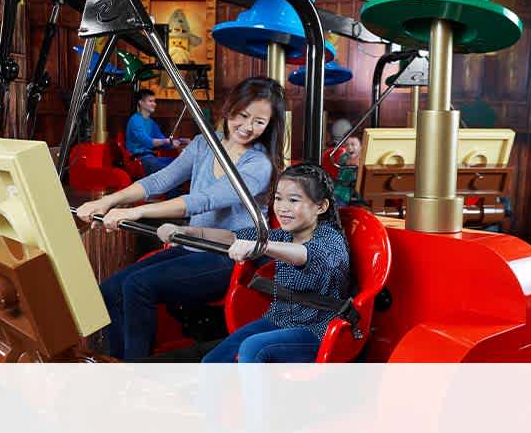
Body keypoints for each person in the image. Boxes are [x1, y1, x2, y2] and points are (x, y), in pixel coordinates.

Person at [75, 77, 286, 360]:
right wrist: (108, 200)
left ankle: (135, 374)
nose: (248, 127)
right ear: (230, 107)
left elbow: (203, 200)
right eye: (243, 115)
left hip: (230, 257)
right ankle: (118, 364)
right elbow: (161, 180)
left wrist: (136, 210)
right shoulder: (203, 145)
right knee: (110, 291)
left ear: (269, 126)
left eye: (259, 122)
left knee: (138, 286)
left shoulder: (257, 164)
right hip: (194, 246)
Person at [161, 164, 349, 363]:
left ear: (321, 207)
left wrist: (262, 246)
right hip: (279, 320)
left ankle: (254, 395)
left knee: (252, 348)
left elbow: (306, 255)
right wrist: (188, 232)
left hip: (319, 329)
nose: (283, 207)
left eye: (293, 200)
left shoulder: (330, 239)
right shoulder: (285, 236)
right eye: (278, 199)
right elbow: (233, 237)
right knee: (212, 361)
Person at [126, 89, 182, 175]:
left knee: (181, 164)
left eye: (154, 101)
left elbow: (164, 143)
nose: (154, 104)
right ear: (141, 103)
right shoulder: (135, 120)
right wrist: (166, 141)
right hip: (139, 159)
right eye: (150, 101)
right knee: (168, 173)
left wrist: (178, 143)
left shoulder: (152, 123)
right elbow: (147, 142)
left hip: (151, 158)